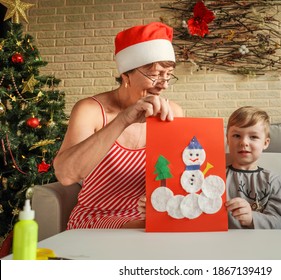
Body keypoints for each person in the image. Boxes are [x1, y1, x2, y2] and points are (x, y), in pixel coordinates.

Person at [53, 22, 183, 229]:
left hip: (149, 219)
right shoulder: (91, 110)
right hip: (96, 219)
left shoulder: (172, 112)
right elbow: (66, 175)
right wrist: (123, 120)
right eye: (156, 74)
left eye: (168, 75)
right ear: (126, 76)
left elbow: (178, 176)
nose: (164, 84)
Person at [225, 106, 281, 229]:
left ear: (265, 143)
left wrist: (251, 218)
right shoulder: (216, 177)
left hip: (262, 242)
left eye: (253, 137)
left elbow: (279, 223)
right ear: (228, 140)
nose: (244, 142)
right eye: (237, 135)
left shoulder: (273, 180)